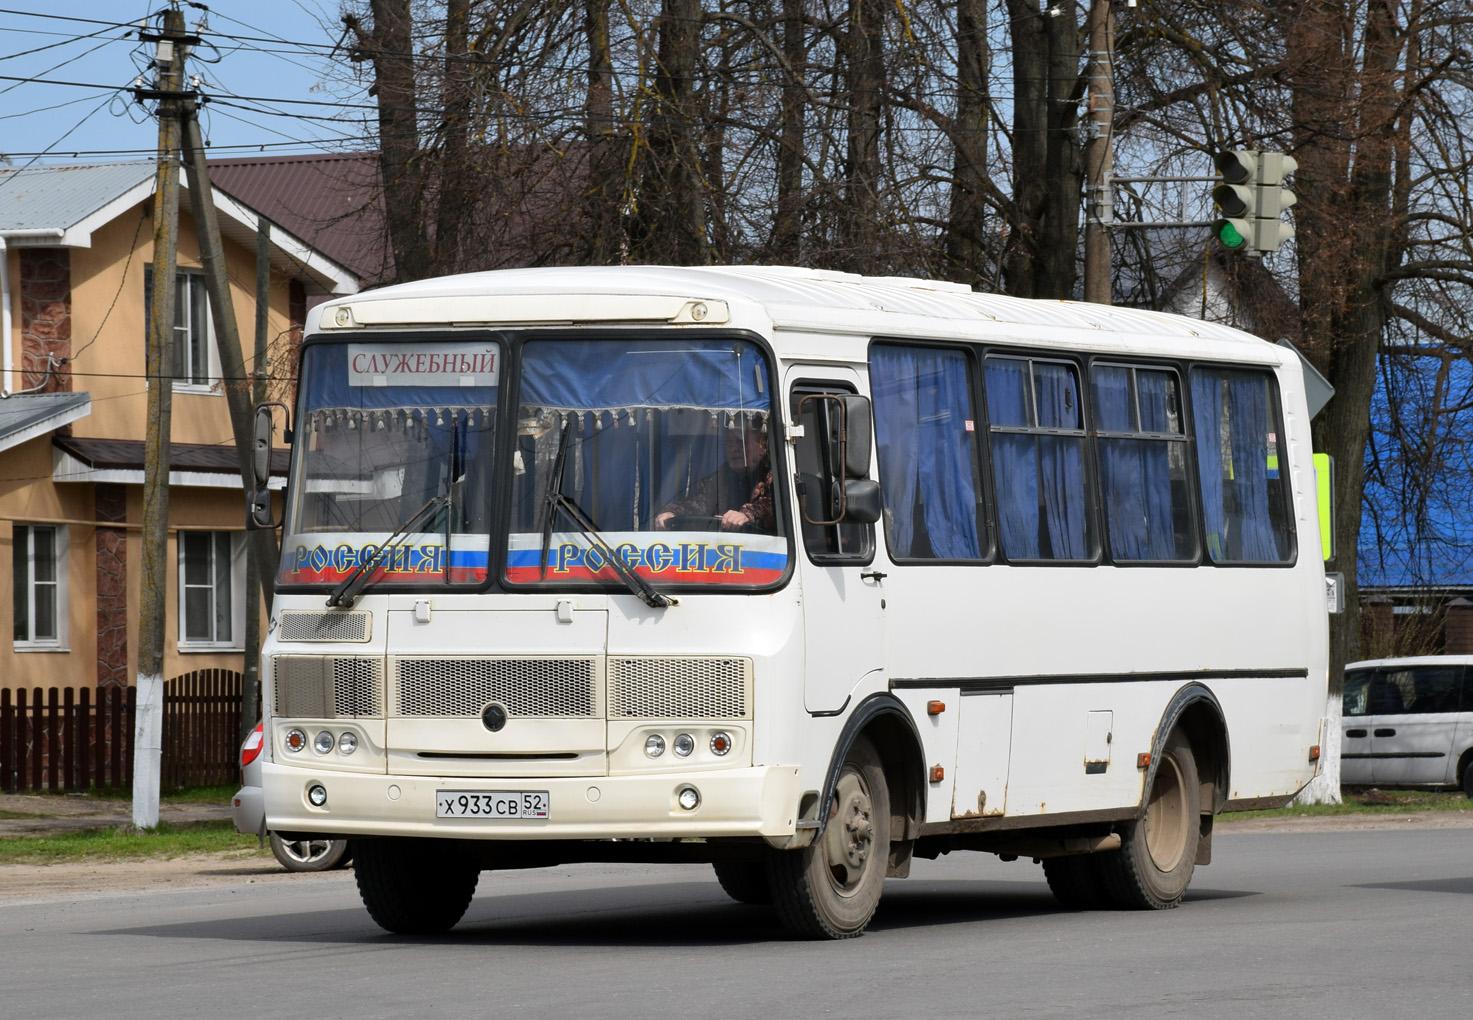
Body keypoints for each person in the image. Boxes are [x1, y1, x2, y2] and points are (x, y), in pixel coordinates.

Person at [654, 417, 775, 532]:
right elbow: (696, 504)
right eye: (729, 442)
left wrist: (746, 515)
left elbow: (772, 507)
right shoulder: (718, 479)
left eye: (740, 442)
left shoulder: (776, 477)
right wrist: (673, 513)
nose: (734, 449)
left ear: (762, 446)